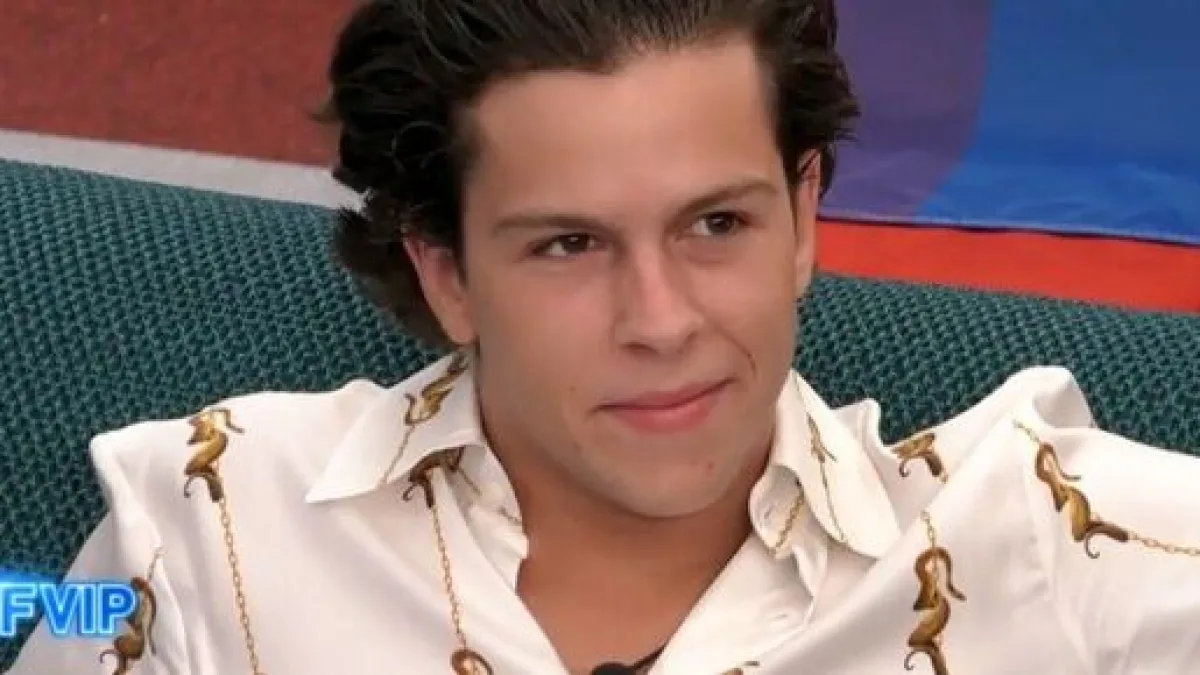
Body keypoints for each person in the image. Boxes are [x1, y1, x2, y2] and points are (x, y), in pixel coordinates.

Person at [11, 1, 1200, 673]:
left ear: (802, 218)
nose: (662, 322)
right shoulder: (208, 523)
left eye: (717, 224)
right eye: (568, 245)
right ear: (446, 272)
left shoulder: (1044, 530)